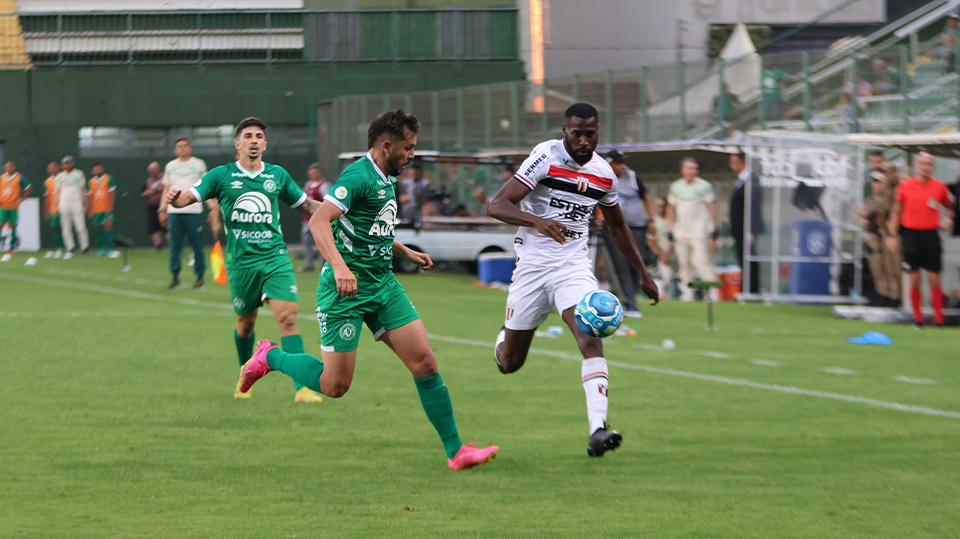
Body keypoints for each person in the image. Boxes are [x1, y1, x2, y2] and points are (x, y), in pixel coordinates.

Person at [234, 110, 500, 470]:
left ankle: (456, 451)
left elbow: (369, 229)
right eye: (408, 148)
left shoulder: (387, 177)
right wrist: (341, 267)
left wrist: (404, 250)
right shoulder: (358, 176)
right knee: (335, 386)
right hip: (344, 291)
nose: (411, 156)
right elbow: (318, 220)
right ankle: (269, 357)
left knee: (425, 362)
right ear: (387, 146)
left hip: (383, 285)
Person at [488, 103, 659, 458]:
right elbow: (498, 205)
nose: (583, 140)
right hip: (533, 269)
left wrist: (644, 273)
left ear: (598, 132)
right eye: (577, 133)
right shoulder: (544, 158)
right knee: (510, 364)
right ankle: (505, 336)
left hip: (572, 268)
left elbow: (617, 226)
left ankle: (598, 429)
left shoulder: (604, 174)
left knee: (590, 336)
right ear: (564, 129)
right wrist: (537, 221)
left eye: (591, 133)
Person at [164, 117, 325, 404]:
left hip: (275, 258)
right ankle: (245, 374)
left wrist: (339, 209)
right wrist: (174, 199)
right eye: (248, 135)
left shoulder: (277, 175)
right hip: (241, 264)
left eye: (258, 135)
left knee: (287, 319)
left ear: (264, 143)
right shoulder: (221, 175)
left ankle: (303, 388)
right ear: (237, 144)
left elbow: (307, 205)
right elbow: (187, 199)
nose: (253, 140)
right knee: (246, 324)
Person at [886, 152, 955, 326]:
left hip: (930, 235)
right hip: (910, 235)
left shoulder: (940, 188)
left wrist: (948, 219)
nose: (926, 167)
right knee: (914, 277)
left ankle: (939, 318)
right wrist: (892, 236)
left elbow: (951, 207)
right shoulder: (905, 186)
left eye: (929, 164)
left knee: (934, 277)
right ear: (917, 166)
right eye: (923, 163)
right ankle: (918, 318)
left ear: (934, 167)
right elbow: (896, 212)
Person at [600, 149, 654, 318]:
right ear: (610, 164)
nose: (622, 166)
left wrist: (651, 219)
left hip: (636, 226)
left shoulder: (632, 176)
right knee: (620, 263)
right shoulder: (601, 177)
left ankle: (631, 295)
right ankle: (629, 303)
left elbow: (645, 195)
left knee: (636, 262)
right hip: (614, 227)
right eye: (618, 163)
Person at [160, 137, 216, 290]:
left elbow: (206, 187)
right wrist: (162, 209)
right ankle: (175, 278)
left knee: (197, 246)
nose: (182, 149)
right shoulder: (170, 166)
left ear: (190, 148)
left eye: (184, 146)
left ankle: (199, 278)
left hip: (194, 212)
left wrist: (213, 207)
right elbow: (166, 190)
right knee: (175, 246)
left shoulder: (198, 164)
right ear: (175, 150)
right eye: (179, 146)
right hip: (174, 213)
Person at [667, 157, 720, 301]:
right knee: (684, 263)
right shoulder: (676, 187)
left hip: (699, 231)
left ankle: (712, 292)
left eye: (695, 168)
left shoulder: (704, 186)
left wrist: (714, 227)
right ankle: (688, 293)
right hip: (681, 231)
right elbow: (671, 209)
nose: (693, 171)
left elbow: (712, 208)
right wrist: (670, 229)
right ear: (682, 170)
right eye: (690, 168)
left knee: (702, 262)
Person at [855, 164, 901, 307]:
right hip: (876, 236)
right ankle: (883, 295)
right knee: (878, 268)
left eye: (879, 180)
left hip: (889, 234)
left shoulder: (892, 195)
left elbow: (891, 213)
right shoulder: (874, 198)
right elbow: (860, 211)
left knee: (892, 268)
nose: (876, 184)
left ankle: (894, 297)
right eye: (874, 181)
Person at [728, 152, 764, 295]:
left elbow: (754, 206)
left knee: (750, 257)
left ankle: (753, 288)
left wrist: (752, 230)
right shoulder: (742, 180)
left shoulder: (752, 180)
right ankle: (747, 287)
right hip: (739, 228)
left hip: (746, 228)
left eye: (733, 162)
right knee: (743, 258)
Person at [54, 156, 89, 259]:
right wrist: (54, 206)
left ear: (72, 163)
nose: (67, 165)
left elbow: (83, 189)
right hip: (64, 204)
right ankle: (71, 248)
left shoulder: (79, 174)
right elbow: (57, 192)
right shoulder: (60, 176)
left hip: (77, 204)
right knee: (66, 228)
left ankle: (85, 248)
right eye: (65, 163)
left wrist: (85, 204)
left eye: (68, 163)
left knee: (81, 227)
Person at [299, 163, 330, 272]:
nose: (311, 176)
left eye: (313, 173)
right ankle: (309, 264)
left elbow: (328, 202)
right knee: (307, 243)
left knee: (322, 243)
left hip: (319, 220)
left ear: (319, 173)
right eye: (310, 174)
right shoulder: (308, 184)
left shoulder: (324, 185)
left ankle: (324, 265)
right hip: (307, 220)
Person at [0, 161, 32, 261]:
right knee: (0, 225)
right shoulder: (1, 178)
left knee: (13, 226)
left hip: (13, 207)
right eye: (6, 166)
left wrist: (21, 199)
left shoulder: (19, 177)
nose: (7, 168)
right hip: (3, 206)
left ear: (13, 167)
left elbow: (29, 188)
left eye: (9, 166)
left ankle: (12, 247)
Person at [87, 163, 118, 258]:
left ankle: (110, 249)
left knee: (108, 225)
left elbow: (112, 192)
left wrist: (110, 206)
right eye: (95, 169)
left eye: (98, 169)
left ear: (102, 168)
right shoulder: (91, 182)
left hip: (106, 208)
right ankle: (101, 248)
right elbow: (89, 196)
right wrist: (90, 209)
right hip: (96, 209)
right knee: (98, 228)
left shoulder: (109, 178)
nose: (96, 171)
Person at [647, 197, 675, 299]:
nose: (660, 209)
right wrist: (662, 255)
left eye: (662, 206)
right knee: (666, 272)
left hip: (674, 253)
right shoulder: (654, 222)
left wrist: (669, 254)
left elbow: (675, 240)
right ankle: (668, 296)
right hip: (662, 254)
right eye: (658, 206)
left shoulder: (672, 221)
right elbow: (651, 242)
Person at [141, 162, 166, 252]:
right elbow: (143, 193)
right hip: (152, 206)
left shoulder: (165, 178)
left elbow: (170, 188)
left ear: (158, 169)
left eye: (154, 170)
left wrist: (162, 188)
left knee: (166, 226)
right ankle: (159, 246)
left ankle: (173, 245)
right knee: (154, 227)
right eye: (151, 171)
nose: (153, 173)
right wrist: (151, 190)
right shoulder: (148, 181)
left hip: (164, 206)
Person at [43, 162, 65, 258]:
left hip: (64, 207)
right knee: (57, 228)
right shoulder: (47, 182)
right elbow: (47, 197)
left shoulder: (64, 178)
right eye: (48, 168)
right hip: (53, 209)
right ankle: (60, 248)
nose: (50, 170)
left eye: (52, 167)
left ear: (57, 167)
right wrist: (47, 210)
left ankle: (69, 248)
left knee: (65, 228)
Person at [398, 160, 430, 226]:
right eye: (413, 173)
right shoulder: (405, 183)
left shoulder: (424, 184)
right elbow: (401, 198)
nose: (415, 175)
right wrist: (408, 197)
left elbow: (427, 200)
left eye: (417, 173)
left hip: (419, 212)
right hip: (407, 212)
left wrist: (420, 196)